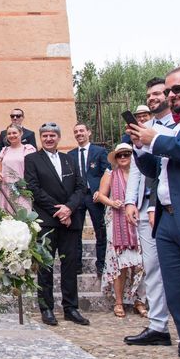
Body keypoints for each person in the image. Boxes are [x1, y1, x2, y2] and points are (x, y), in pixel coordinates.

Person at [128, 65, 180, 359]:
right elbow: (157, 169)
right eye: (168, 91)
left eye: (177, 89)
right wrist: (142, 148)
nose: (171, 95)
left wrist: (160, 140)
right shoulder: (171, 127)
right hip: (167, 222)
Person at [124, 77, 174, 346]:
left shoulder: (179, 126)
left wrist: (156, 205)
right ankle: (158, 326)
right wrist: (131, 201)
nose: (152, 98)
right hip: (145, 210)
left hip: (170, 208)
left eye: (157, 93)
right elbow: (137, 170)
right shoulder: (146, 129)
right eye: (149, 95)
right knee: (152, 268)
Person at [24, 122, 89, 327]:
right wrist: (58, 210)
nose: (49, 139)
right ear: (41, 139)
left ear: (58, 138)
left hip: (70, 220)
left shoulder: (69, 159)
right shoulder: (32, 159)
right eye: (45, 136)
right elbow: (33, 188)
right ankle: (47, 308)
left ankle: (71, 308)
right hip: (48, 220)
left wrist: (69, 208)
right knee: (46, 265)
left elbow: (80, 187)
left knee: (70, 265)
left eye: (53, 135)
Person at [95, 143, 145, 318]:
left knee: (141, 263)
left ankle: (139, 300)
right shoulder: (110, 174)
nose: (123, 157)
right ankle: (119, 302)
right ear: (115, 158)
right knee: (120, 263)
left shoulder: (140, 174)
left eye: (127, 154)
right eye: (120, 155)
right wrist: (112, 202)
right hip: (116, 221)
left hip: (137, 219)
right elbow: (100, 194)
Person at [68, 123, 109, 276]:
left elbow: (107, 173)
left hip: (95, 196)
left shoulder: (100, 151)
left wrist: (102, 192)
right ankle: (77, 265)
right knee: (75, 232)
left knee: (100, 230)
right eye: (76, 131)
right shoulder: (70, 155)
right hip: (78, 197)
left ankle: (101, 264)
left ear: (88, 132)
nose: (79, 134)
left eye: (81, 131)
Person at [0, 123, 36, 213]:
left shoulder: (28, 149)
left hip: (22, 189)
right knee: (7, 216)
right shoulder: (4, 150)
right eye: (9, 134)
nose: (11, 135)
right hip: (6, 189)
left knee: (23, 214)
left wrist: (25, 185)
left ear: (20, 133)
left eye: (14, 133)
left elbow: (34, 170)